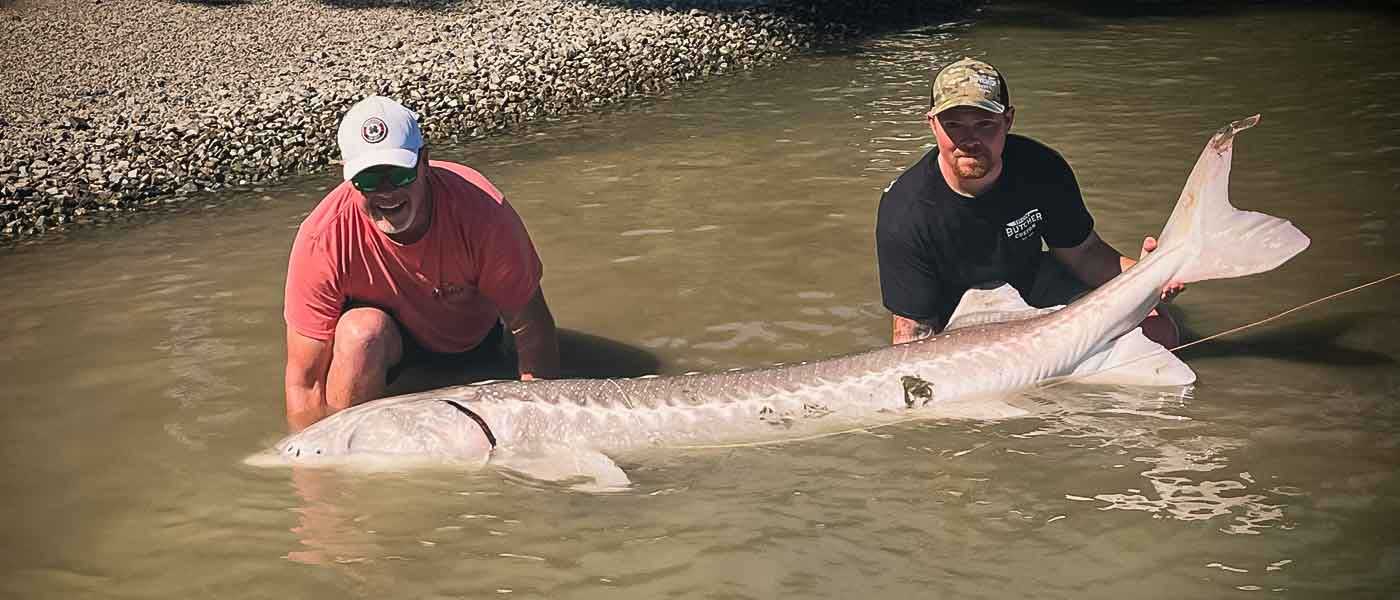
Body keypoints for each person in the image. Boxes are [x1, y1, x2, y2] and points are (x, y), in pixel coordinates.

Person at [283, 96, 559, 430]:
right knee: (360, 333)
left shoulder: (483, 211)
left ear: (424, 162)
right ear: (347, 179)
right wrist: (317, 476)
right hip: (385, 359)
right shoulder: (322, 237)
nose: (386, 192)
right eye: (368, 180)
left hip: (473, 344)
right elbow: (306, 384)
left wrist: (538, 428)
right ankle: (351, 453)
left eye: (398, 174)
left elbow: (531, 329)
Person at [876, 57, 1184, 346]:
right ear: (932, 124)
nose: (969, 140)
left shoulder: (1042, 167)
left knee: (1158, 331)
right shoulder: (904, 212)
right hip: (954, 318)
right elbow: (913, 335)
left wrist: (1149, 274)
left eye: (984, 124)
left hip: (1032, 286)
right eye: (953, 125)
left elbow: (1084, 254)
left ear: (1008, 119)